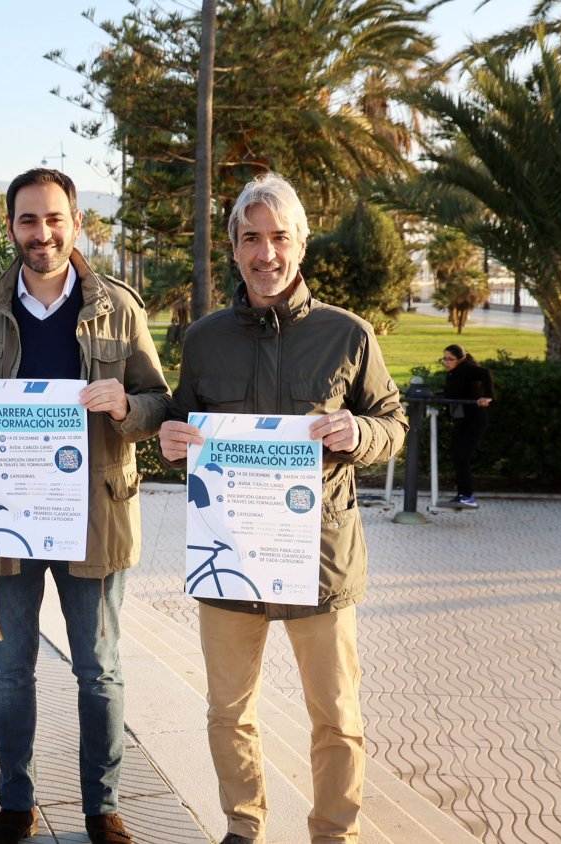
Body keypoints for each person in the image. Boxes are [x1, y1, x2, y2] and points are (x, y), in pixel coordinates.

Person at [157, 173, 407, 844]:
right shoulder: (203, 340)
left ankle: (334, 834)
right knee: (228, 710)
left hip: (320, 560)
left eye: (278, 238)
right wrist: (170, 441)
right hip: (230, 557)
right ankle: (244, 827)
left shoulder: (348, 335)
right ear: (233, 248)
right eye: (249, 239)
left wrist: (364, 434)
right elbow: (181, 430)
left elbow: (392, 423)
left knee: (336, 715)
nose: (265, 254)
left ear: (301, 243)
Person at [0, 168, 171, 844]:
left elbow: (159, 403)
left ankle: (104, 808)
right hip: (5, 521)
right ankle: (17, 804)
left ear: (76, 223)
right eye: (29, 221)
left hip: (93, 518)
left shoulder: (117, 309)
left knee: (99, 672)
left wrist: (127, 405)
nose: (42, 234)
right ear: (11, 228)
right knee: (10, 672)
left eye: (54, 219)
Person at [440, 344, 494, 509]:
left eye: (450, 359)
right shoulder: (454, 373)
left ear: (461, 359)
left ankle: (466, 495)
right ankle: (462, 494)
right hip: (462, 420)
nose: (446, 362)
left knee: (462, 455)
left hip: (474, 420)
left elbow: (485, 374)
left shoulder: (466, 369)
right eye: (444, 359)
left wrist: (487, 396)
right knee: (457, 454)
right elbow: (453, 394)